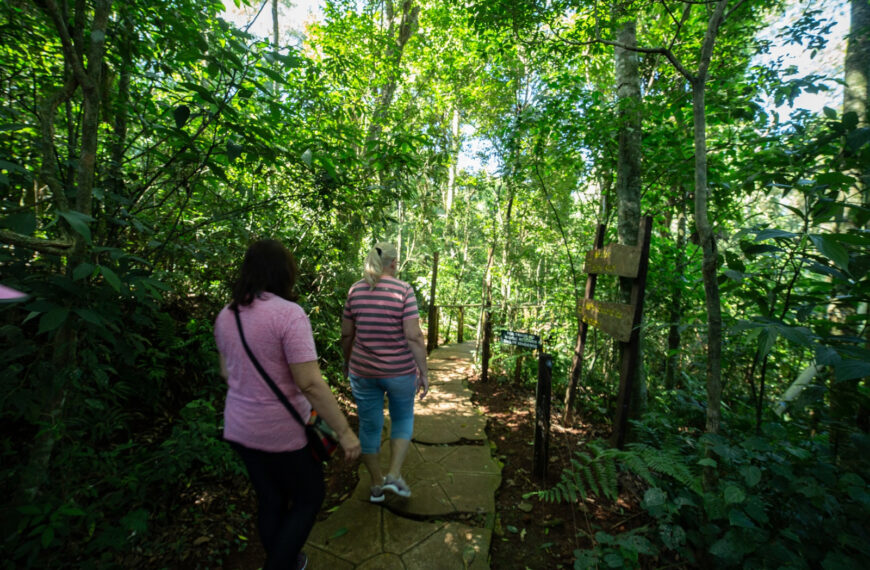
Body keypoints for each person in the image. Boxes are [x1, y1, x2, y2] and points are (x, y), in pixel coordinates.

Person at [214, 239, 360, 570]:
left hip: (239, 428)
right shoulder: (289, 314)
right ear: (285, 272)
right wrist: (344, 432)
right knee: (309, 497)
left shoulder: (226, 314)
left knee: (271, 499)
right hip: (281, 432)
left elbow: (227, 371)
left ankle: (289, 561)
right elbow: (308, 382)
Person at [341, 242, 429, 503]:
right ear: (393, 263)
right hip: (400, 372)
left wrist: (347, 362)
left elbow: (347, 334)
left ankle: (377, 484)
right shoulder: (404, 290)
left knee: (370, 426)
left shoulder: (355, 290)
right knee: (402, 418)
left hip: (363, 371)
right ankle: (393, 474)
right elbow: (413, 335)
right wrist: (423, 371)